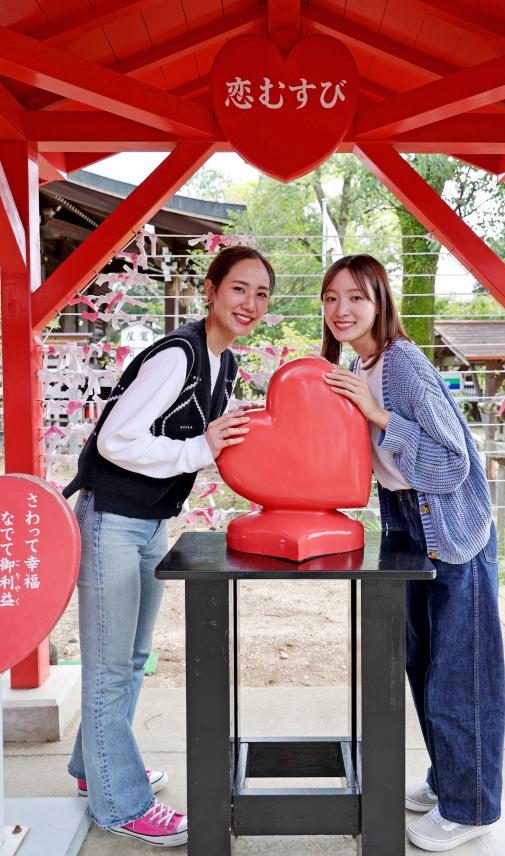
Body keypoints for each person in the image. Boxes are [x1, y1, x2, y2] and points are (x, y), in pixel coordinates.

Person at [63, 245, 275, 847]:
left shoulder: (222, 363)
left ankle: (94, 769)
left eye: (261, 294)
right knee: (108, 669)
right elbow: (115, 441)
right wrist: (198, 449)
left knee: (129, 659)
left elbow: (211, 440)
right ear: (211, 289)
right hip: (113, 521)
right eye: (239, 289)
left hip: (151, 523)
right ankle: (121, 803)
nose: (250, 304)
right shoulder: (175, 357)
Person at [320, 254, 505, 853]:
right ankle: (449, 778)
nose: (341, 310)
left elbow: (454, 463)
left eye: (355, 297)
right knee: (422, 666)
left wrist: (379, 415)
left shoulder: (401, 365)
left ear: (380, 303)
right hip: (405, 522)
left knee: (460, 673)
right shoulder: (359, 364)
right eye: (330, 299)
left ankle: (471, 805)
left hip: (452, 527)